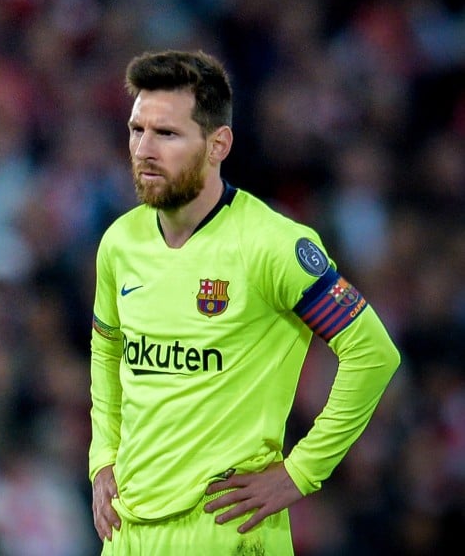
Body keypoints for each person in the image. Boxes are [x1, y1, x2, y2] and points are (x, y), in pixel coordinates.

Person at [88, 49, 400, 554]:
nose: (144, 149)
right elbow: (108, 351)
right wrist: (102, 457)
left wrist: (300, 474)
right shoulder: (119, 243)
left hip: (226, 528)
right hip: (127, 532)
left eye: (166, 134)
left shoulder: (273, 246)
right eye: (136, 129)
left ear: (218, 145)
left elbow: (374, 354)